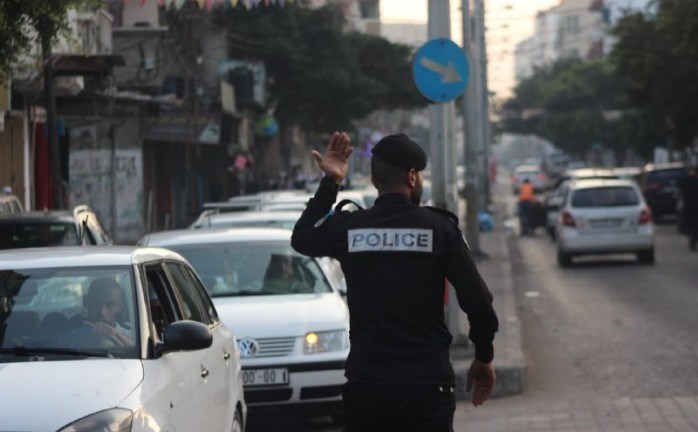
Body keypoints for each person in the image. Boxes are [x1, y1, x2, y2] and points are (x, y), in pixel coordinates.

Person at [292, 132, 498, 431]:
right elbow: (478, 301)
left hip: (368, 388)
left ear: (374, 180)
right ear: (412, 177)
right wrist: (484, 355)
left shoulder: (350, 228)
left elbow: (302, 238)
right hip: (426, 387)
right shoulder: (440, 230)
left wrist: (331, 182)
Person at [82, 277, 132, 346]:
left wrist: (116, 335)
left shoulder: (130, 337)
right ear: (86, 302)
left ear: (120, 307)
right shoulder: (72, 335)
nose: (102, 312)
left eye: (110, 305)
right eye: (96, 304)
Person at [677, 162, 698, 251]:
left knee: (689, 223)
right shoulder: (695, 180)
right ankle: (693, 238)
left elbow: (679, 192)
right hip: (694, 205)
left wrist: (679, 202)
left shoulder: (684, 180)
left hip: (688, 205)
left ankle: (692, 237)